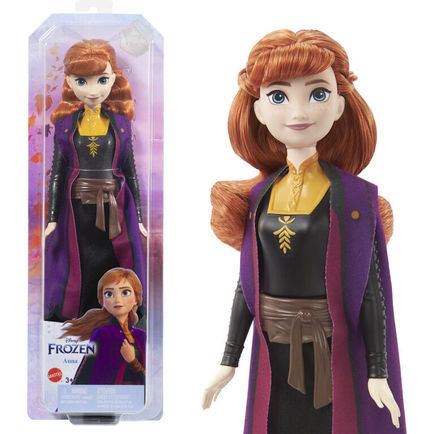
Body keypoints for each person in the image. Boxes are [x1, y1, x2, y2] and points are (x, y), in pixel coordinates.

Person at [202, 30, 406, 434]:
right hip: (273, 351)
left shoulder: (354, 197)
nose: (298, 111)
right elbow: (248, 285)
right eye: (278, 96)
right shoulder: (259, 196)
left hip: (332, 351)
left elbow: (369, 290)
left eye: (318, 94)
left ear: (339, 106)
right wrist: (228, 361)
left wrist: (377, 371)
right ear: (259, 110)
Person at [44, 39, 147, 322]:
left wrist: (138, 218)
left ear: (113, 78)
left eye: (101, 80)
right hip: (77, 209)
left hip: (115, 206)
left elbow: (130, 172)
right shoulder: (65, 125)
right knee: (79, 262)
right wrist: (52, 218)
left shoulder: (121, 124)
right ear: (69, 81)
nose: (92, 90)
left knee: (116, 258)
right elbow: (57, 173)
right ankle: (76, 313)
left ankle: (119, 313)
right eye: (82, 81)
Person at [61, 268, 146, 386]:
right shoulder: (103, 334)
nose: (117, 300)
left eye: (125, 292)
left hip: (137, 396)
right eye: (109, 294)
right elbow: (86, 371)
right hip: (108, 395)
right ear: (103, 301)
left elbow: (150, 380)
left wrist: (132, 361)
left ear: (136, 298)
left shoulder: (141, 336)